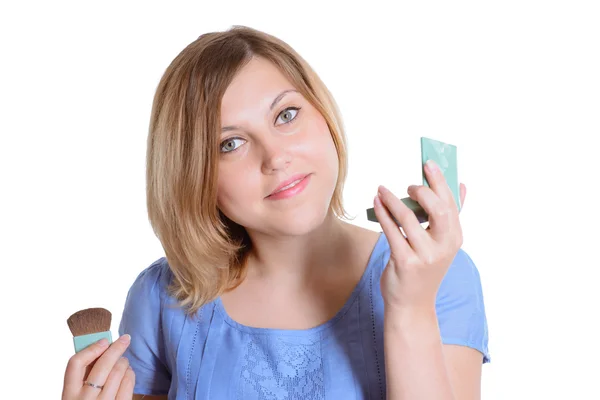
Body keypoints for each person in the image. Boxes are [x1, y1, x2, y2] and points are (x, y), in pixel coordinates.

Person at [62, 25, 490, 400]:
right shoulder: (162, 297)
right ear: (194, 177)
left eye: (286, 115)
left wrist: (410, 308)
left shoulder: (438, 274)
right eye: (230, 143)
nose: (276, 157)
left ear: (323, 114)